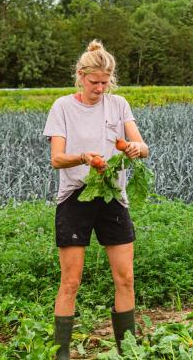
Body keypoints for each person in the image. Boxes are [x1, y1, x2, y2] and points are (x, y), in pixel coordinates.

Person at [43, 40, 150, 358]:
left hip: (112, 197)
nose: (100, 89)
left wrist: (134, 148)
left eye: (105, 83)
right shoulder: (62, 107)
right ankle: (61, 353)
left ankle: (127, 350)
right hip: (75, 197)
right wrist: (84, 158)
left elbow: (142, 146)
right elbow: (57, 159)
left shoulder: (118, 105)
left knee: (126, 277)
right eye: (94, 83)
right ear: (80, 76)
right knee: (71, 281)